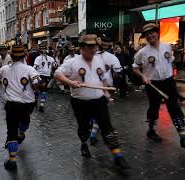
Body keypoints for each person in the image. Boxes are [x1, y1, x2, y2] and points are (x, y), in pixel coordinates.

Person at [54, 34, 130, 169]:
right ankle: (84, 143)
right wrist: (71, 82)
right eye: (89, 47)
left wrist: (106, 92)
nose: (93, 50)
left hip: (98, 100)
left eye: (94, 47)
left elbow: (103, 78)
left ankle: (118, 155)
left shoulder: (99, 60)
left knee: (107, 127)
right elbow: (57, 74)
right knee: (84, 128)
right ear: (82, 48)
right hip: (80, 102)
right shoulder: (72, 62)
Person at [132, 23, 185, 149]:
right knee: (154, 108)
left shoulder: (167, 47)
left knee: (174, 107)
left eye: (152, 33)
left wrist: (171, 75)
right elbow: (135, 67)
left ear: (157, 33)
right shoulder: (142, 52)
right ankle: (151, 130)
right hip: (153, 84)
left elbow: (169, 62)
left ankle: (183, 137)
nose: (150, 36)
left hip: (168, 82)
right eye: (147, 35)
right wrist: (143, 76)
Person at [0, 45, 40, 171]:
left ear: (12, 56)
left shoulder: (4, 69)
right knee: (25, 120)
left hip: (12, 105)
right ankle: (22, 133)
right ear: (24, 56)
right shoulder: (30, 69)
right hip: (27, 105)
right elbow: (37, 84)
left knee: (11, 131)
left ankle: (12, 161)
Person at [33, 44, 57, 112]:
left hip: (41, 76)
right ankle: (41, 104)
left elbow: (35, 67)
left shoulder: (40, 58)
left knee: (40, 90)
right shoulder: (46, 58)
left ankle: (39, 103)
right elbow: (55, 65)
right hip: (43, 76)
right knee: (42, 90)